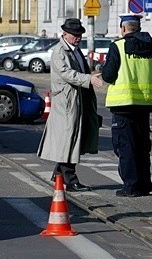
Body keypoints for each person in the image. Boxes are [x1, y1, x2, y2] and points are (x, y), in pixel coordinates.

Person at [37, 18, 103, 192]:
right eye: (75, 34)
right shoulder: (60, 51)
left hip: (75, 100)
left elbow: (78, 71)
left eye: (80, 34)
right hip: (66, 102)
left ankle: (59, 175)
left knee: (71, 139)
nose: (78, 37)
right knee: (69, 140)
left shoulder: (74, 50)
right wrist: (89, 79)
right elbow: (67, 73)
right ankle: (70, 179)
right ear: (64, 34)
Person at [100, 14, 152, 197]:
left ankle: (131, 186)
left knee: (126, 147)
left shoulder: (118, 46)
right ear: (138, 27)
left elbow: (108, 76)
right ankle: (144, 184)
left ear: (123, 29)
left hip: (123, 104)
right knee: (142, 147)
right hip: (144, 103)